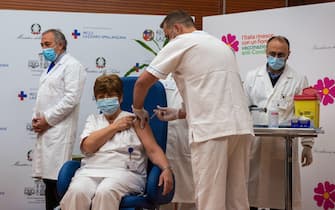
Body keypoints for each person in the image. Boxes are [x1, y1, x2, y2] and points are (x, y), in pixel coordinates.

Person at [132, 10, 254, 210]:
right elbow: (213, 92)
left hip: (212, 130)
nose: (168, 41)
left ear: (177, 29)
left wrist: (138, 109)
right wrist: (178, 113)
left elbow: (142, 83)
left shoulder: (182, 42)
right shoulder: (220, 45)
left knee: (210, 198)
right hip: (240, 127)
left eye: (168, 35)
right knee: (237, 199)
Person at [60, 74, 174, 210]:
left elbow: (153, 149)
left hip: (125, 173)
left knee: (105, 191)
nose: (106, 100)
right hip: (91, 171)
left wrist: (166, 168)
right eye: (101, 97)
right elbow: (88, 147)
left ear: (120, 98)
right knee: (77, 191)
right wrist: (114, 127)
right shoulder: (93, 120)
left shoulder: (135, 120)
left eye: (110, 96)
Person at [244, 35, 314, 210]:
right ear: (265, 53)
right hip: (256, 145)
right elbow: (242, 109)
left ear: (288, 55)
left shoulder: (298, 79)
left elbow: (305, 114)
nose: (276, 58)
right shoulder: (252, 77)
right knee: (251, 198)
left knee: (281, 199)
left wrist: (308, 145)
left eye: (280, 54)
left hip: (283, 148)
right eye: (272, 53)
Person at [31, 29, 87, 210]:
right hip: (47, 130)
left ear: (61, 44)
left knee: (57, 183)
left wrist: (47, 119)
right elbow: (45, 98)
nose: (44, 48)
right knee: (49, 182)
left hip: (59, 131)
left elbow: (71, 99)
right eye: (42, 45)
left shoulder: (72, 66)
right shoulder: (52, 67)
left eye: (47, 44)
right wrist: (37, 119)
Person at [158, 74, 196, 210]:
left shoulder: (196, 78)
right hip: (167, 144)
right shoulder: (160, 81)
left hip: (188, 141)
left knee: (191, 196)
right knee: (164, 198)